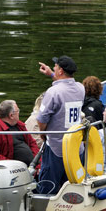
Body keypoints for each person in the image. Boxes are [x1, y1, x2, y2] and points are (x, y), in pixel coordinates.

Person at [36, 55, 85, 194]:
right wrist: (51, 74)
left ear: (61, 71)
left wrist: (43, 134)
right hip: (76, 148)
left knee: (48, 187)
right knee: (70, 185)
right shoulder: (80, 88)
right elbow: (65, 86)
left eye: (55, 67)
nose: (54, 68)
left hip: (56, 148)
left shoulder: (53, 92)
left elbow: (41, 118)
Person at [0, 100, 40, 166]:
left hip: (31, 167)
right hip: (12, 171)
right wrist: (11, 164)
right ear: (11, 115)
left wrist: (37, 162)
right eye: (18, 111)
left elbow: (32, 143)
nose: (18, 113)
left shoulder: (20, 126)